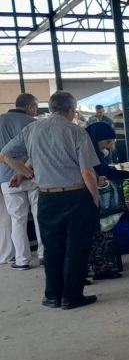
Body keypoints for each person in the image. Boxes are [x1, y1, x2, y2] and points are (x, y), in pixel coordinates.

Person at [0, 91, 101, 310]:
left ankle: (52, 295)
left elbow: (5, 155)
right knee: (76, 248)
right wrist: (95, 196)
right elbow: (87, 171)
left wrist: (27, 174)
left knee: (52, 248)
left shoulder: (32, 129)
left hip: (46, 197)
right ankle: (71, 296)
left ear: (51, 108)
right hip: (75, 196)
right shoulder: (76, 131)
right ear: (71, 110)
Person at [84, 123, 129, 280]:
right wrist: (95, 181)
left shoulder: (95, 153)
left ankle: (99, 269)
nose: (110, 146)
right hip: (86, 200)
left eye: (112, 142)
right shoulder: (85, 154)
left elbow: (106, 171)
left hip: (95, 199)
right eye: (107, 142)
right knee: (92, 236)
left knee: (98, 235)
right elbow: (87, 174)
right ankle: (91, 271)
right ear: (96, 139)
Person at [0, 93, 43, 269]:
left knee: (17, 220)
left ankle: (21, 260)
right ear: (31, 107)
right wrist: (23, 171)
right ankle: (44, 255)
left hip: (6, 178)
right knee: (40, 217)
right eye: (36, 108)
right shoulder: (34, 123)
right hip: (33, 176)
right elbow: (37, 150)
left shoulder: (0, 120)